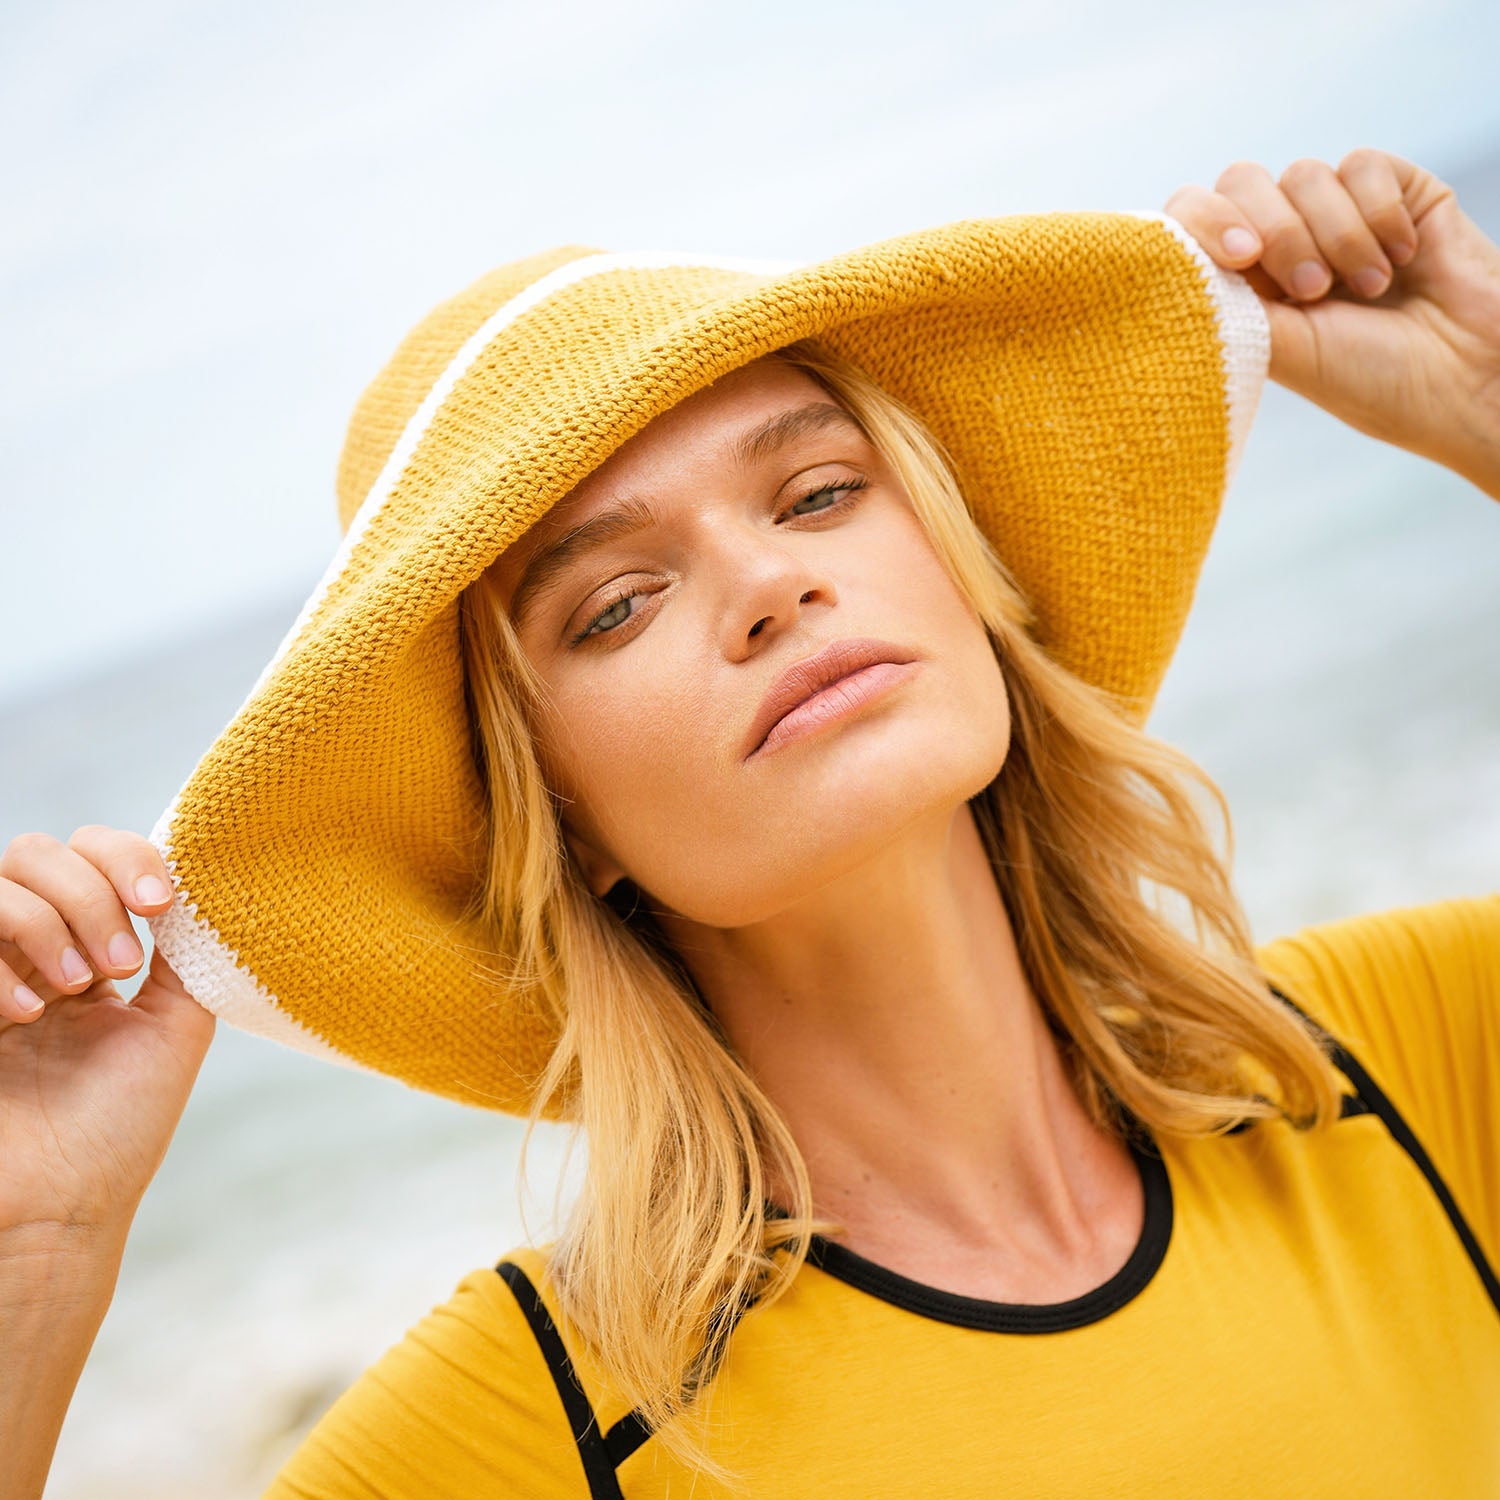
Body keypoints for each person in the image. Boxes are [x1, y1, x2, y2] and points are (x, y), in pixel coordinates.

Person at [1, 148, 1497, 1499]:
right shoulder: (554, 1431)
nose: (770, 586)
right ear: (559, 817)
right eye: (617, 605)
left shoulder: (1408, 1064)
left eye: (820, 492)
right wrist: (37, 1252)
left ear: (964, 569)